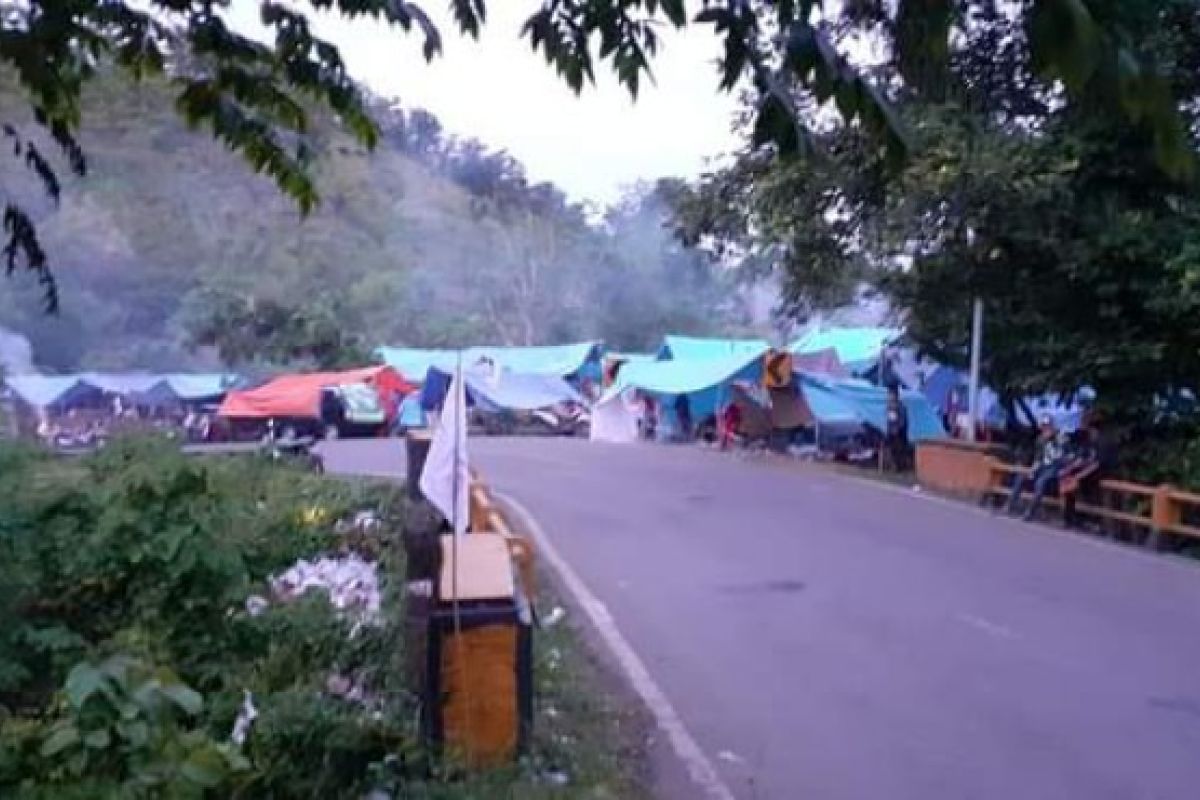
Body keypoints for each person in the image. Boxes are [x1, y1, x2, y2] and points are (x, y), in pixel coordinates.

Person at [1006, 415, 1067, 520]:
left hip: (1054, 467)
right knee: (1021, 476)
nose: (1046, 429)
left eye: (1048, 426)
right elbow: (1038, 458)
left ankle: (1030, 512)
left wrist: (1054, 438)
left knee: (1040, 483)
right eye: (1044, 426)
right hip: (1042, 466)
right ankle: (1010, 504)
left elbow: (1062, 454)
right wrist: (1032, 470)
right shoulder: (1039, 440)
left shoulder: (1060, 437)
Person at [884, 384, 910, 471]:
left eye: (891, 395)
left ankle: (901, 466)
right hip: (891, 431)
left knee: (899, 449)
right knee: (892, 449)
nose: (889, 397)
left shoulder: (901, 406)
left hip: (899, 432)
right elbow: (889, 419)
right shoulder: (889, 406)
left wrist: (898, 429)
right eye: (889, 395)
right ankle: (894, 465)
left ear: (896, 396)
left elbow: (903, 420)